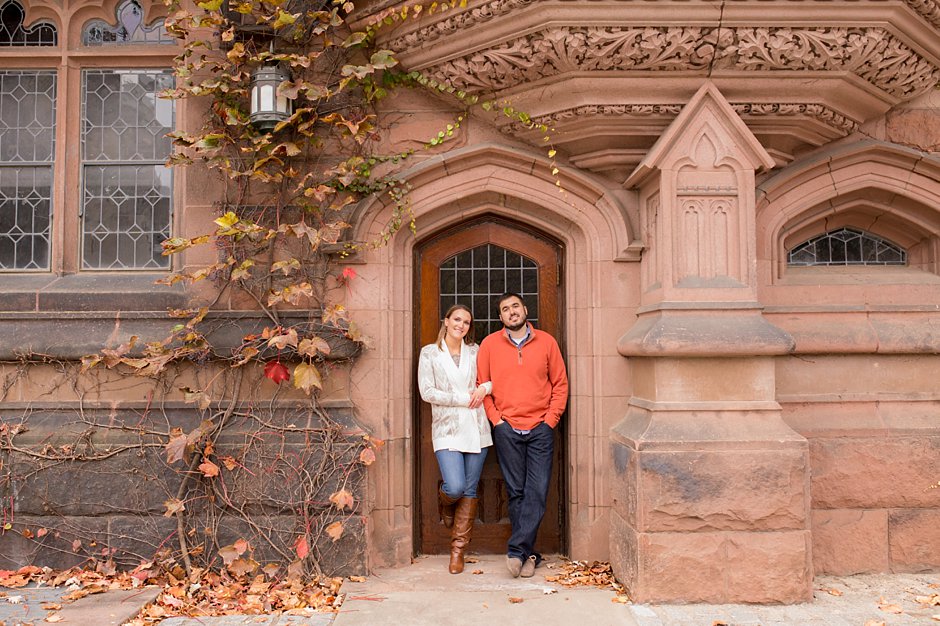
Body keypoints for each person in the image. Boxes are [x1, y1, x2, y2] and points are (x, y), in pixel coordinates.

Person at [476, 292, 568, 578]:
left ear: (525, 309)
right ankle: (529, 554)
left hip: (540, 428)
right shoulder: (490, 344)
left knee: (537, 491)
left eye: (515, 306)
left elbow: (560, 384)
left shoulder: (547, 342)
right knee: (516, 492)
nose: (512, 311)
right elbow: (482, 385)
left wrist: (550, 420)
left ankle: (516, 550)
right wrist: (497, 421)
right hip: (507, 430)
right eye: (505, 309)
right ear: (501, 317)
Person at [417, 304, 493, 574]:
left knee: (470, 491)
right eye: (457, 320)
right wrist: (463, 399)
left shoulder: (477, 351)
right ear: (446, 321)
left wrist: (484, 388)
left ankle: (457, 551)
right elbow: (427, 391)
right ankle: (445, 503)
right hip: (447, 429)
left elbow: (494, 378)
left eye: (467, 322)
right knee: (456, 487)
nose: (462, 325)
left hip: (477, 428)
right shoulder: (430, 353)